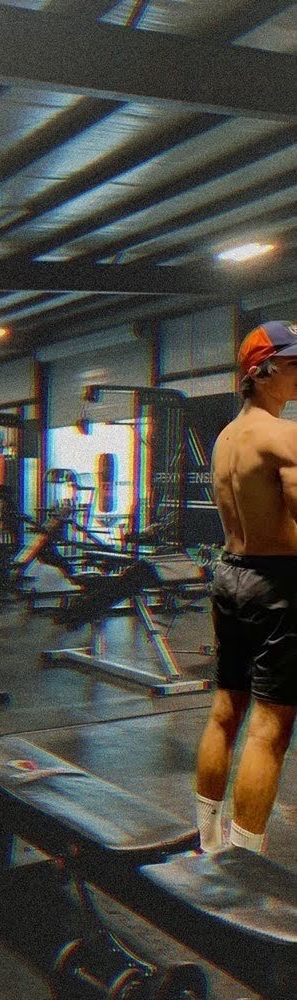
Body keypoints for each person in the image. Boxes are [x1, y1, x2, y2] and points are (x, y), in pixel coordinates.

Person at [194, 320, 297, 853]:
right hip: (278, 584)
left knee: (225, 711)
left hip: (231, 575)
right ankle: (243, 871)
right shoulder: (284, 435)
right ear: (264, 371)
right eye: (295, 364)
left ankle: (209, 845)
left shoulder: (226, 438)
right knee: (269, 729)